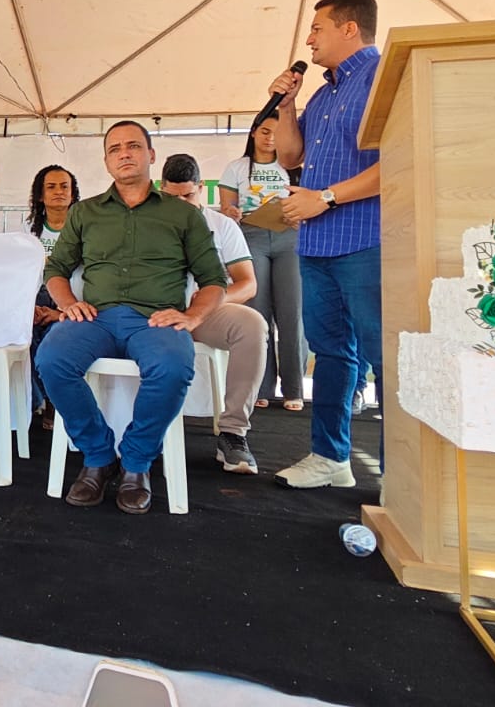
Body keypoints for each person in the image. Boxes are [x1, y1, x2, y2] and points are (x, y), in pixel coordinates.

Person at [36, 121, 226, 514]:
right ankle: (98, 456)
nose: (124, 153)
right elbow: (55, 268)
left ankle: (137, 462)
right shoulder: (85, 212)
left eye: (134, 146)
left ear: (151, 155)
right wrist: (67, 303)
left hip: (156, 320)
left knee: (172, 367)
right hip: (97, 318)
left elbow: (214, 280)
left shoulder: (183, 214)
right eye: (115, 148)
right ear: (106, 161)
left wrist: (192, 317)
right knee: (52, 359)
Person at [266, 0, 383, 489]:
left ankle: (404, 476)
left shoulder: (382, 78)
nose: (310, 39)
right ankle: (330, 457)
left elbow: (401, 160)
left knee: (384, 356)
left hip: (366, 241)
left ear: (349, 28)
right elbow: (291, 157)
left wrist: (327, 198)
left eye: (318, 28)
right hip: (316, 245)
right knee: (331, 352)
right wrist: (287, 106)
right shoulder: (323, 92)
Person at [158, 153, 268, 474]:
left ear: (201, 188)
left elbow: (247, 284)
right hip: (156, 313)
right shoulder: (145, 224)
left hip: (206, 314)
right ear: (161, 190)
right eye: (173, 197)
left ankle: (233, 433)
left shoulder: (222, 225)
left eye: (188, 196)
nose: (181, 204)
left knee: (252, 325)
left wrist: (209, 300)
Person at [218, 112, 307, 411]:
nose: (270, 138)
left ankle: (294, 388)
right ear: (254, 132)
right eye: (265, 131)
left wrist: (299, 215)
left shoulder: (293, 167)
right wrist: (231, 212)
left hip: (289, 237)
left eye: (277, 133)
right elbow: (227, 207)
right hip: (251, 236)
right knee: (257, 311)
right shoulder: (236, 168)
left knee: (292, 312)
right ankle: (262, 386)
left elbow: (307, 202)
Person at [24, 164, 81, 428]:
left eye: (64, 186)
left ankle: (51, 401)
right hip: (34, 296)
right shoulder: (27, 229)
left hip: (71, 298)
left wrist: (60, 312)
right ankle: (37, 399)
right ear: (40, 195)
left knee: (53, 336)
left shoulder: (86, 228)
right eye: (51, 187)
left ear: (73, 193)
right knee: (23, 333)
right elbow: (19, 270)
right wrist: (28, 307)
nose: (59, 191)